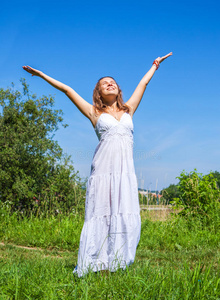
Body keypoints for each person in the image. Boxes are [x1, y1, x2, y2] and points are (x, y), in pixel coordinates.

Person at [23, 52, 172, 276]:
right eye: (104, 83)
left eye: (112, 82)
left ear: (118, 89)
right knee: (100, 213)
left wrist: (155, 65)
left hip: (124, 173)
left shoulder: (128, 109)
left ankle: (118, 261)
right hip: (102, 171)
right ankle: (95, 262)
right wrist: (42, 74)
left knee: (123, 212)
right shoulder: (94, 113)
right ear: (99, 92)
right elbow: (67, 90)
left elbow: (143, 83)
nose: (109, 84)